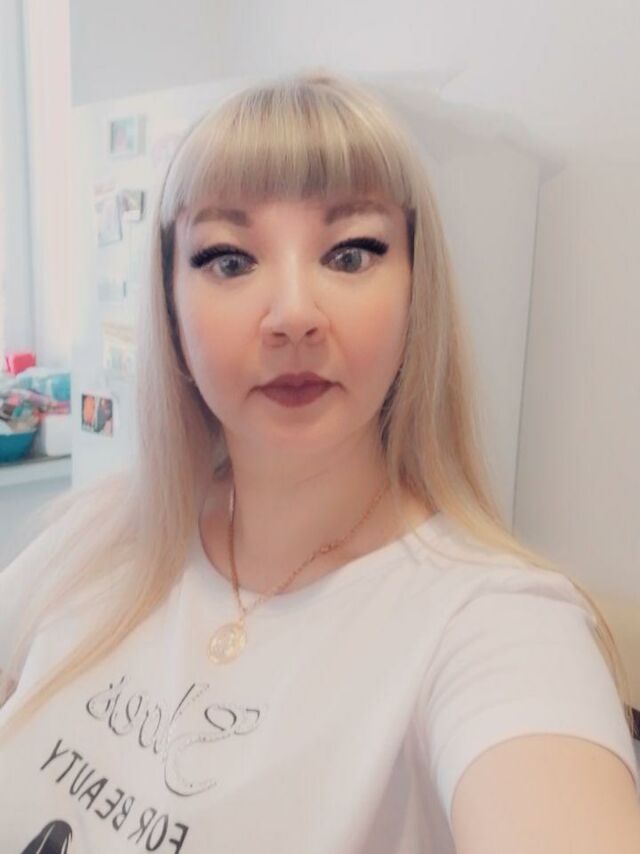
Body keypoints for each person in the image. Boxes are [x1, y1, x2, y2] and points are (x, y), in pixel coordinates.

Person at [1, 69, 639, 853]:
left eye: (351, 253)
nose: (294, 314)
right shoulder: (96, 535)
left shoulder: (494, 626)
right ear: (168, 302)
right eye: (229, 260)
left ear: (417, 289)